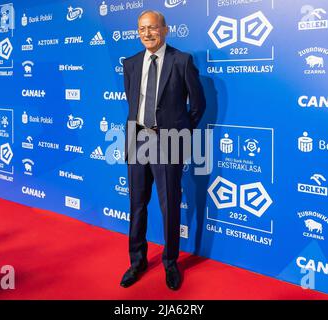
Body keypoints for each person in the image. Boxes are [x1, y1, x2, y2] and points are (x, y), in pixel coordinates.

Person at [120, 10, 206, 290]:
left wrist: (179, 135)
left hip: (168, 141)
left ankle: (170, 262)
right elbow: (132, 101)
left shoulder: (181, 61)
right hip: (137, 140)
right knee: (137, 204)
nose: (147, 33)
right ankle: (137, 261)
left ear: (165, 30)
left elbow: (198, 105)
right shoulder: (131, 63)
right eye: (142, 29)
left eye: (153, 28)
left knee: (169, 206)